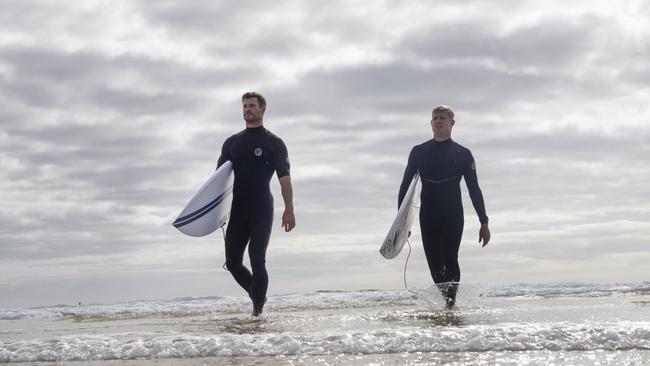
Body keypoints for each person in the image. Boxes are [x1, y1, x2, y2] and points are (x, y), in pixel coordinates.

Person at [398, 105, 490, 309]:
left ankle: (450, 305)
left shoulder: (463, 153)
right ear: (431, 123)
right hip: (428, 214)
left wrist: (484, 221)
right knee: (434, 265)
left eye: (442, 118)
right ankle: (449, 302)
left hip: (453, 214)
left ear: (452, 123)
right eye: (435, 118)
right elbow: (405, 187)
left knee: (450, 256)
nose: (438, 121)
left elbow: (474, 189)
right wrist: (402, 224)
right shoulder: (419, 152)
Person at [216, 92, 295, 316]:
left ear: (262, 109)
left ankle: (257, 311)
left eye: (251, 106)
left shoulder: (273, 142)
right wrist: (214, 213)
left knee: (257, 258)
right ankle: (258, 294)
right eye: (245, 106)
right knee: (232, 262)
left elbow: (285, 178)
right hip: (238, 209)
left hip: (261, 207)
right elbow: (218, 180)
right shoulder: (232, 143)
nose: (247, 110)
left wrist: (289, 209)